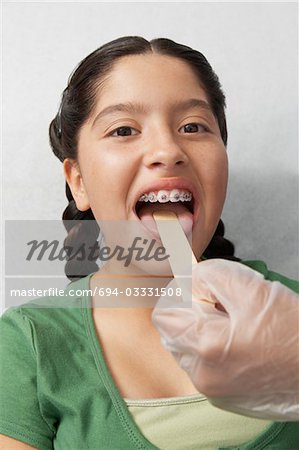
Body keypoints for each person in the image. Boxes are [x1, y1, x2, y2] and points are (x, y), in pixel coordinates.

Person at [0, 36, 298, 450]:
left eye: (192, 126)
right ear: (79, 182)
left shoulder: (291, 312)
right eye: (123, 130)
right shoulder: (27, 343)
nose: (168, 150)